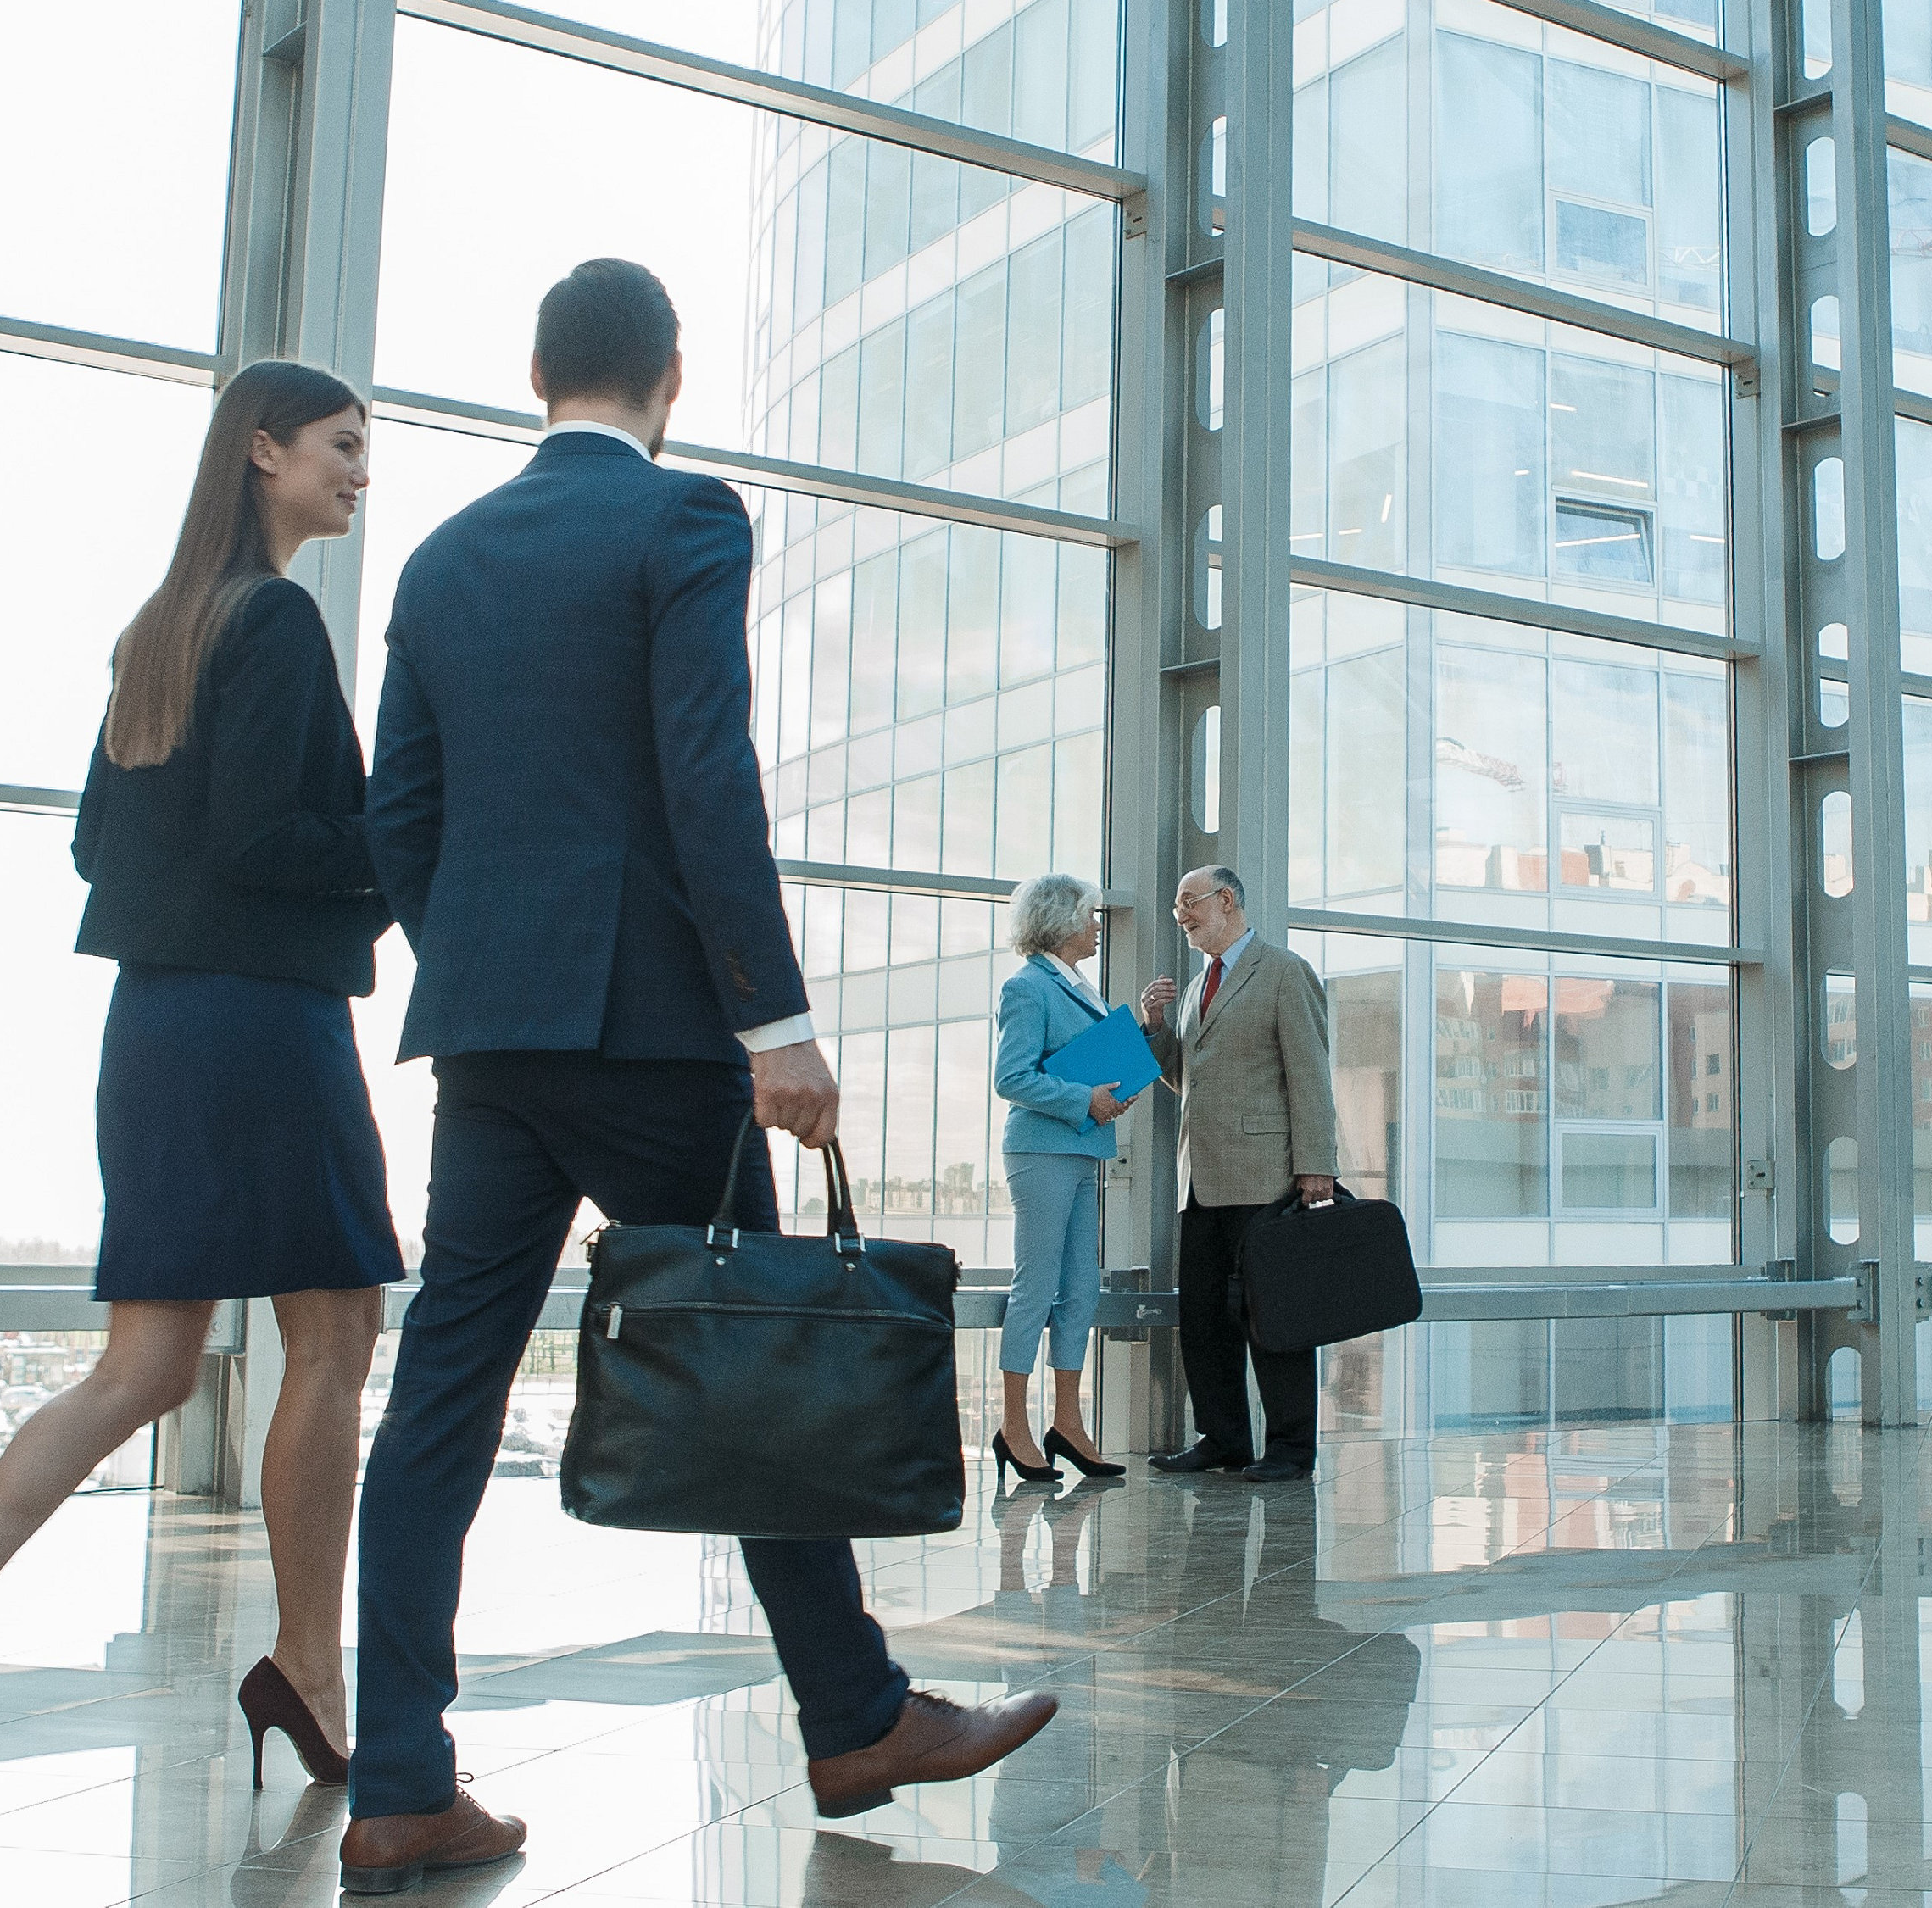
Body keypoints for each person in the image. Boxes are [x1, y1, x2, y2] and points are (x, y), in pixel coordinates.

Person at [338, 260, 1050, 1894]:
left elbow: (401, 822)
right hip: (659, 1034)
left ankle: (399, 1779)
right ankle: (858, 1714)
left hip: (492, 1040)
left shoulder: (442, 561)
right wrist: (771, 1019)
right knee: (752, 1358)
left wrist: (494, 962)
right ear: (670, 374)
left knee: (441, 1397)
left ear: (533, 373)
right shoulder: (684, 523)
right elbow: (705, 767)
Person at [0, 361, 396, 1819]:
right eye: (340, 444)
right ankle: (311, 1674)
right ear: (261, 449)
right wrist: (402, 849)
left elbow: (93, 850)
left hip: (157, 1032)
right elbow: (268, 835)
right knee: (333, 1340)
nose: (360, 470)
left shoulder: (158, 634)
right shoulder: (279, 623)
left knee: (145, 1366)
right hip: (262, 1028)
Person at [1137, 866, 1339, 1484]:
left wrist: (1316, 1167)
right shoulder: (1199, 985)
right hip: (1200, 1177)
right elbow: (1187, 1081)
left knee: (1274, 1316)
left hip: (1266, 1178)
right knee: (1202, 1319)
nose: (1181, 917)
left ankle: (1289, 1450)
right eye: (1178, 909)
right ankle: (1222, 1438)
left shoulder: (1283, 971)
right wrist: (1155, 1029)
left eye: (1187, 904)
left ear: (1226, 899)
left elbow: (1309, 1074)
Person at [989, 872, 1134, 1483]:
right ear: (1062, 920)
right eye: (1090, 915)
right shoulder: (1027, 987)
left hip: (1081, 1150)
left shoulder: (1077, 984)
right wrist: (1084, 1098)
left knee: (1081, 1287)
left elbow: (1088, 1061)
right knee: (1036, 1284)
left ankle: (1068, 1423)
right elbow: (1011, 1077)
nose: (1098, 924)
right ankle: (1013, 1424)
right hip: (1043, 1152)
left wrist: (1111, 1079)